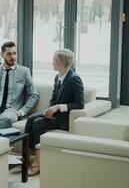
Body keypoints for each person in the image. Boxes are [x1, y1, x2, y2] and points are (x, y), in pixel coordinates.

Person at [24, 48, 85, 176]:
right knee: (30, 120)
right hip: (55, 113)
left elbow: (80, 104)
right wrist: (49, 108)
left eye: (54, 60)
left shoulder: (74, 79)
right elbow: (53, 99)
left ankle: (37, 163)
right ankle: (27, 158)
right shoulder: (58, 77)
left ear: (61, 62)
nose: (52, 62)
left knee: (38, 123)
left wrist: (58, 107)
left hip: (64, 119)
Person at [0, 41, 39, 129]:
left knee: (6, 118)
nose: (13, 57)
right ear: (2, 54)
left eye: (14, 53)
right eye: (9, 54)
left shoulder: (24, 71)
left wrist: (22, 112)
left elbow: (34, 95)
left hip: (12, 110)